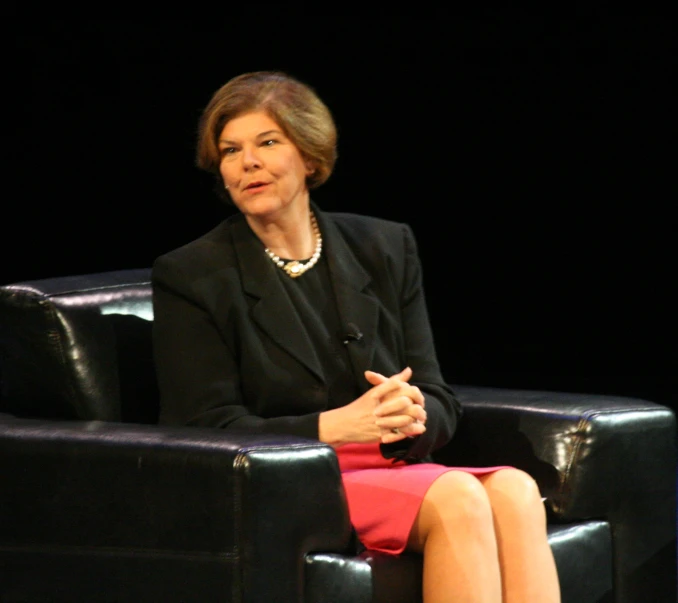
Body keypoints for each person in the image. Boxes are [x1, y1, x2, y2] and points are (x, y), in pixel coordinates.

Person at [151, 70, 561, 603]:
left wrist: (412, 415)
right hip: (290, 480)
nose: (247, 161)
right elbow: (203, 427)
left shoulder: (385, 246)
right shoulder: (193, 274)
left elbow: (438, 396)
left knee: (515, 489)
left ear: (310, 156)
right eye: (231, 150)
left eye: (267, 142)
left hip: (391, 464)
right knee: (459, 495)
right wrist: (335, 426)